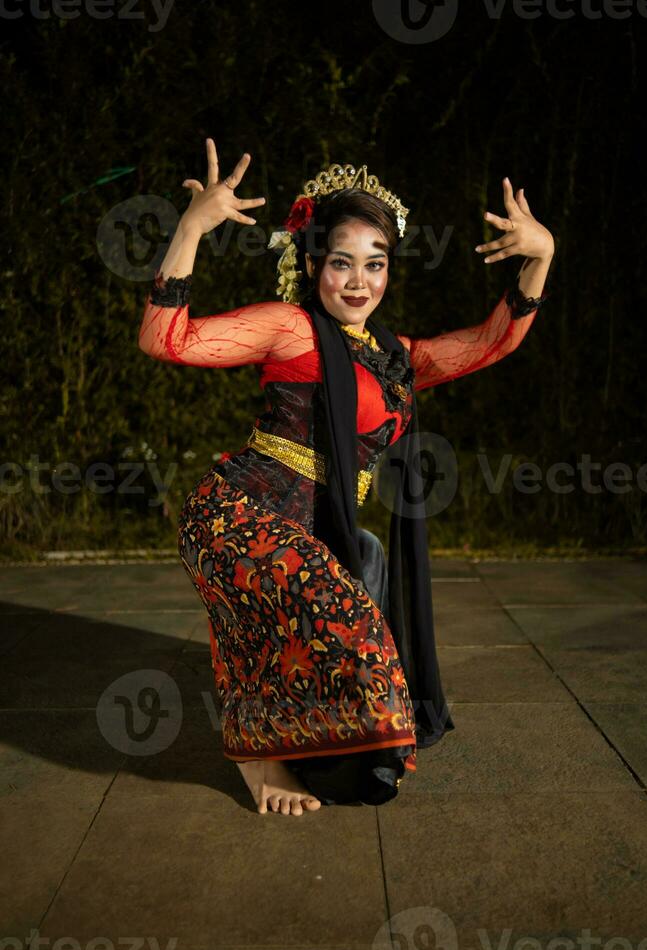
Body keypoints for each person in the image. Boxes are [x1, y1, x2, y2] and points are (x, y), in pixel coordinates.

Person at [138, 138, 554, 816]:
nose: (359, 281)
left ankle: (313, 751)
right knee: (343, 612)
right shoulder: (290, 329)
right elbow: (166, 339)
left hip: (314, 531)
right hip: (236, 515)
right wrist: (190, 228)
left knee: (356, 585)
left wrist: (541, 258)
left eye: (375, 264)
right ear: (311, 264)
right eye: (341, 263)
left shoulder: (397, 357)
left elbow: (491, 341)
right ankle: (259, 753)